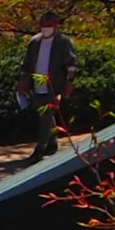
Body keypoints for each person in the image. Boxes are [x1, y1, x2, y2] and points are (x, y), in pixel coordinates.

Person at [18, 14, 75, 161]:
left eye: (50, 24)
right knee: (45, 115)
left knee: (46, 116)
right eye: (44, 24)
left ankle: (40, 148)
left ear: (56, 25)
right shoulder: (35, 42)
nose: (46, 27)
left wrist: (69, 83)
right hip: (37, 85)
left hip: (54, 86)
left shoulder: (63, 42)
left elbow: (71, 65)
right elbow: (27, 64)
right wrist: (23, 82)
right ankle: (52, 142)